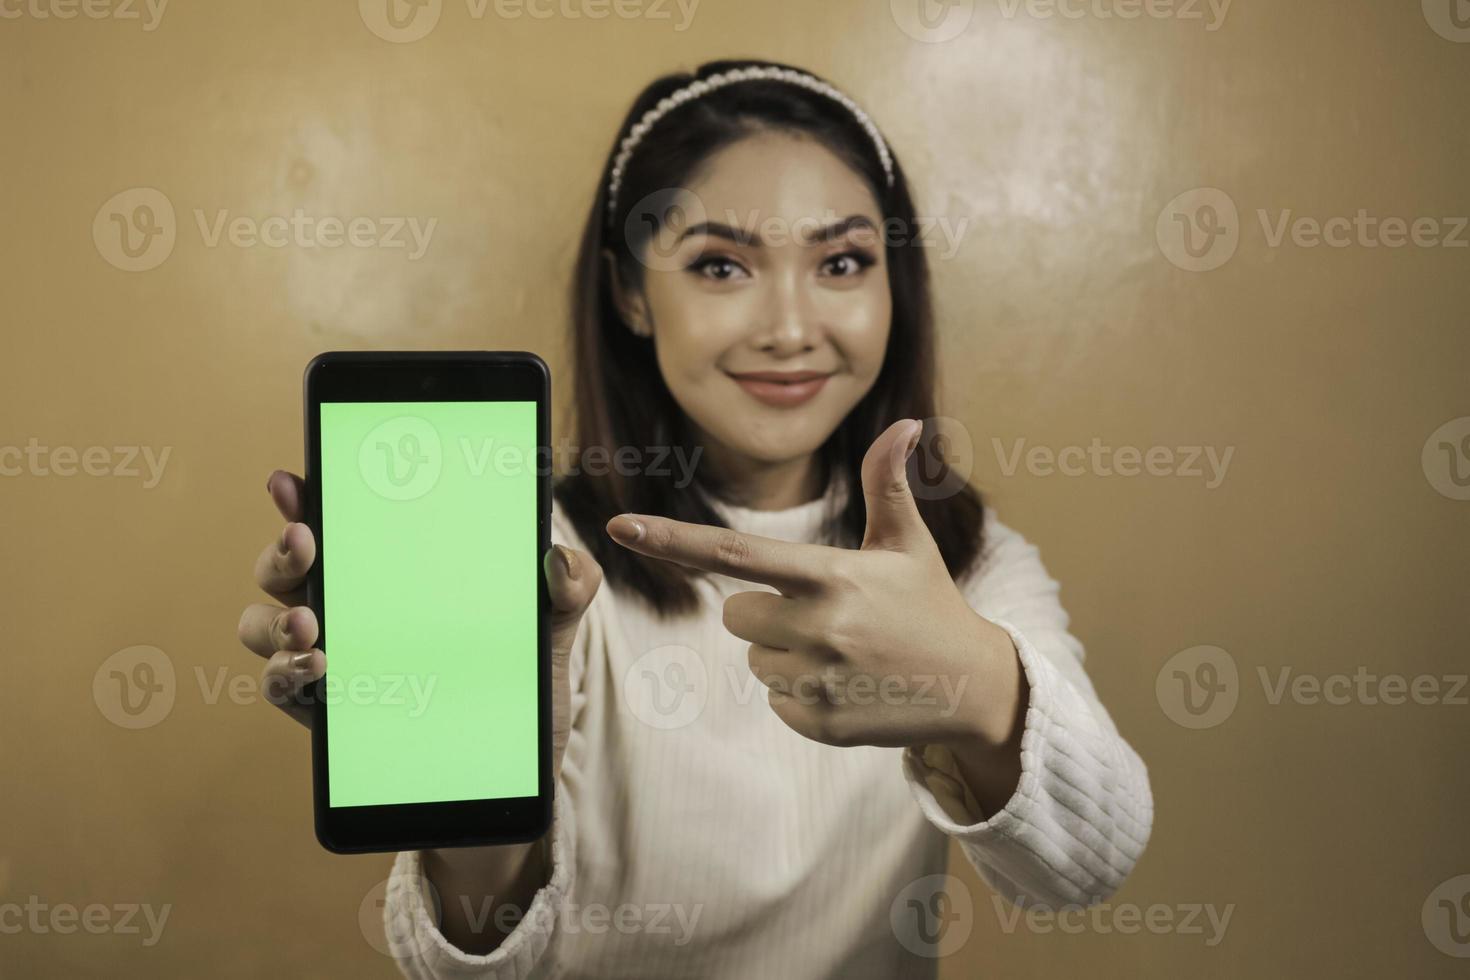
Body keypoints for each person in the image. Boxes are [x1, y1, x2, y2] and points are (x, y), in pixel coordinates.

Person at [239, 59, 1153, 979]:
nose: (790, 327)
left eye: (841, 262)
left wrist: (977, 684)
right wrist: (476, 799)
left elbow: (1083, 868)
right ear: (631, 293)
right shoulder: (539, 565)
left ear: (894, 285)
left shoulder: (968, 564)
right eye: (721, 265)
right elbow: (468, 963)